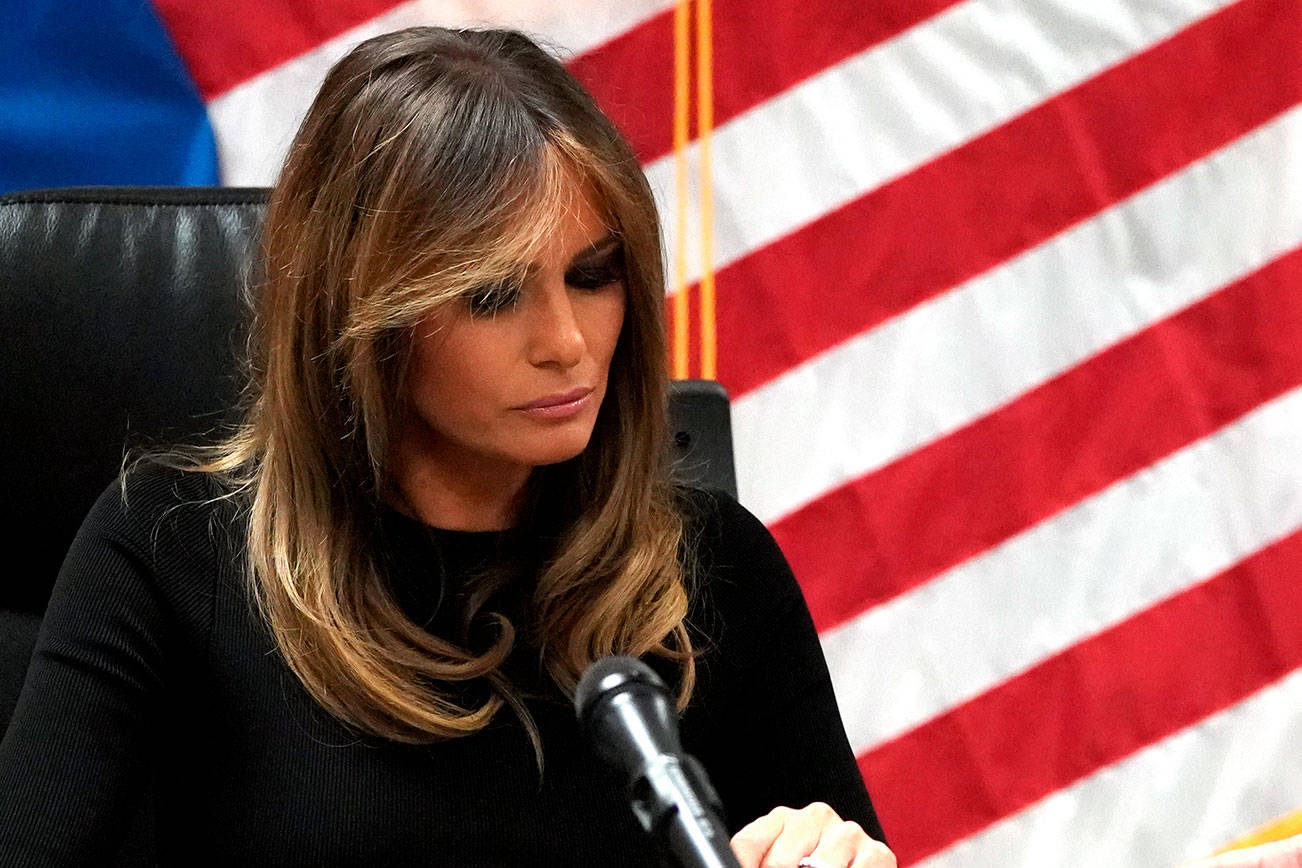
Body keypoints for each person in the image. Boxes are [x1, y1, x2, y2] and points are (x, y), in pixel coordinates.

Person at [0, 26, 894, 868]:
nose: (568, 342)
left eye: (594, 276)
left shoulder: (713, 570)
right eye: (495, 294)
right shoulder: (168, 550)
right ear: (365, 320)